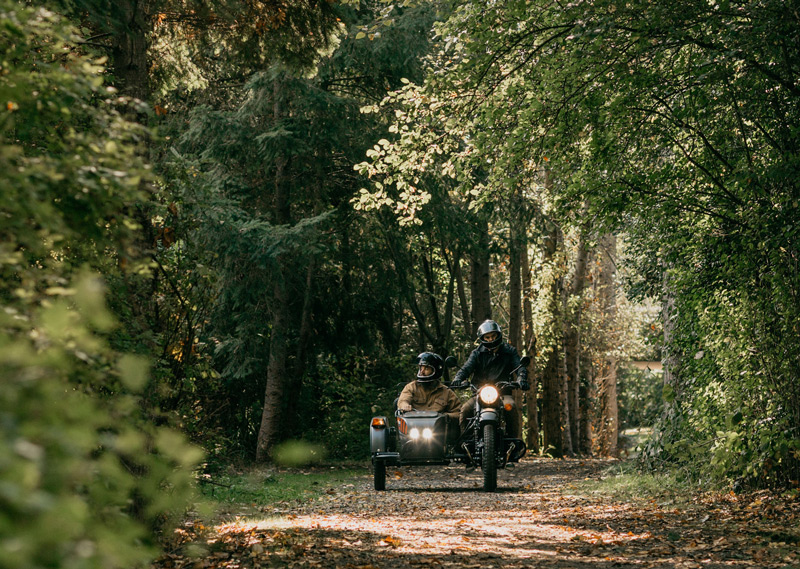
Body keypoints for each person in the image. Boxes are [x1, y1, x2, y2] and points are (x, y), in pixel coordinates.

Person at [451, 319, 529, 437]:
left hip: (503, 393)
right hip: (479, 393)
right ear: (483, 338)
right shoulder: (477, 353)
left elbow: (519, 367)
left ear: (498, 335)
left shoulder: (509, 351)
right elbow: (466, 368)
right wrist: (458, 378)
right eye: (487, 337)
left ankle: (514, 442)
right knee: (465, 409)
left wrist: (521, 378)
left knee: (511, 408)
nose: (491, 339)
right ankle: (465, 443)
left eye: (493, 336)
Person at [397, 352, 461, 441]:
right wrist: (404, 405)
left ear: (436, 371)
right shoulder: (411, 387)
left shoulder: (447, 392)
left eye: (426, 368)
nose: (422, 371)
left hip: (437, 435)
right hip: (413, 432)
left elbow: (458, 413)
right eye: (421, 368)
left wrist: (445, 416)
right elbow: (404, 399)